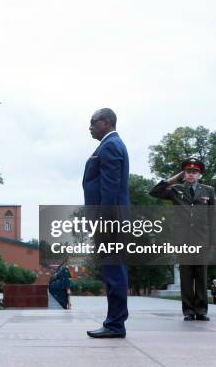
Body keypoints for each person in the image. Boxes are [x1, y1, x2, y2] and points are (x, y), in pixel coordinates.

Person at [149, 157, 216, 321]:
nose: (191, 175)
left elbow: (213, 217)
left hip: (202, 239)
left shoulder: (208, 191)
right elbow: (154, 192)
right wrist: (174, 178)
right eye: (188, 172)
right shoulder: (176, 189)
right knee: (186, 276)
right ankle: (188, 311)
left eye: (194, 172)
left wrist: (213, 241)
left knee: (201, 275)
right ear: (183, 174)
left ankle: (201, 311)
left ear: (199, 174)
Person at [83, 108, 129, 339]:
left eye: (93, 122)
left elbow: (110, 188)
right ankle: (114, 322)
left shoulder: (110, 145)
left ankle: (115, 324)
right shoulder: (110, 144)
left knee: (114, 273)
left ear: (107, 123)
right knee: (113, 271)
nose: (89, 126)